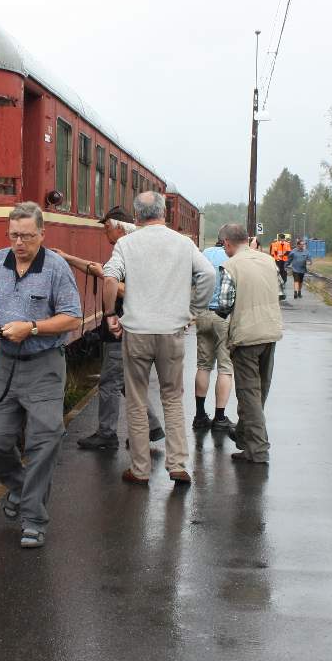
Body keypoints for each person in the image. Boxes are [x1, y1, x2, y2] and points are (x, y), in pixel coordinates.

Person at [0, 202, 82, 548]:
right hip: (4, 364)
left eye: (27, 236)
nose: (19, 243)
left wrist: (32, 328)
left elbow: (72, 317)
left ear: (42, 234)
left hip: (44, 364)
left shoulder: (56, 267)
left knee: (44, 440)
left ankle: (33, 520)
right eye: (14, 236)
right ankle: (21, 489)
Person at [103, 192, 215, 486]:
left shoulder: (126, 243)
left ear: (137, 216)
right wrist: (193, 311)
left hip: (136, 333)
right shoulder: (183, 243)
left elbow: (110, 278)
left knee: (137, 400)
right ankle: (177, 464)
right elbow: (208, 274)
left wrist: (110, 314)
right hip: (171, 332)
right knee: (172, 397)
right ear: (164, 213)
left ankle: (140, 469)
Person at [51, 207, 164, 451]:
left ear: (119, 227)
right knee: (124, 383)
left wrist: (106, 277)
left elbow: (133, 291)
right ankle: (152, 427)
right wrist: (67, 258)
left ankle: (107, 434)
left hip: (121, 329)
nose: (105, 233)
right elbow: (96, 268)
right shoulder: (128, 250)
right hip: (124, 329)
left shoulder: (131, 252)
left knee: (110, 383)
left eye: (107, 227)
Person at [213, 222, 283, 465]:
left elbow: (224, 304)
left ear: (227, 243)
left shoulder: (230, 266)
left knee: (249, 393)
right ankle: (244, 434)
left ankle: (258, 449)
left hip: (246, 336)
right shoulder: (269, 261)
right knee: (260, 389)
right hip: (271, 331)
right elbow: (280, 292)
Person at [192, 238, 234, 433]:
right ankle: (219, 418)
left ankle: (200, 415)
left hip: (203, 314)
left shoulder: (205, 254)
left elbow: (194, 280)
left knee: (203, 366)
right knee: (225, 368)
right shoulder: (233, 256)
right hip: (224, 317)